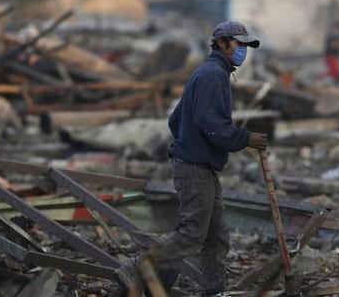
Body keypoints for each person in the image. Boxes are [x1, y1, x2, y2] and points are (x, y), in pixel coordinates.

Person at [115, 20, 268, 297]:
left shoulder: (211, 72)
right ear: (222, 43)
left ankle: (212, 290)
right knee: (193, 232)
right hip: (195, 168)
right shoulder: (212, 75)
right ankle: (137, 268)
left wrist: (191, 142)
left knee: (216, 235)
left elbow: (177, 120)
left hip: (201, 165)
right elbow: (212, 125)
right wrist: (245, 139)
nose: (243, 51)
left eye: (246, 46)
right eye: (239, 45)